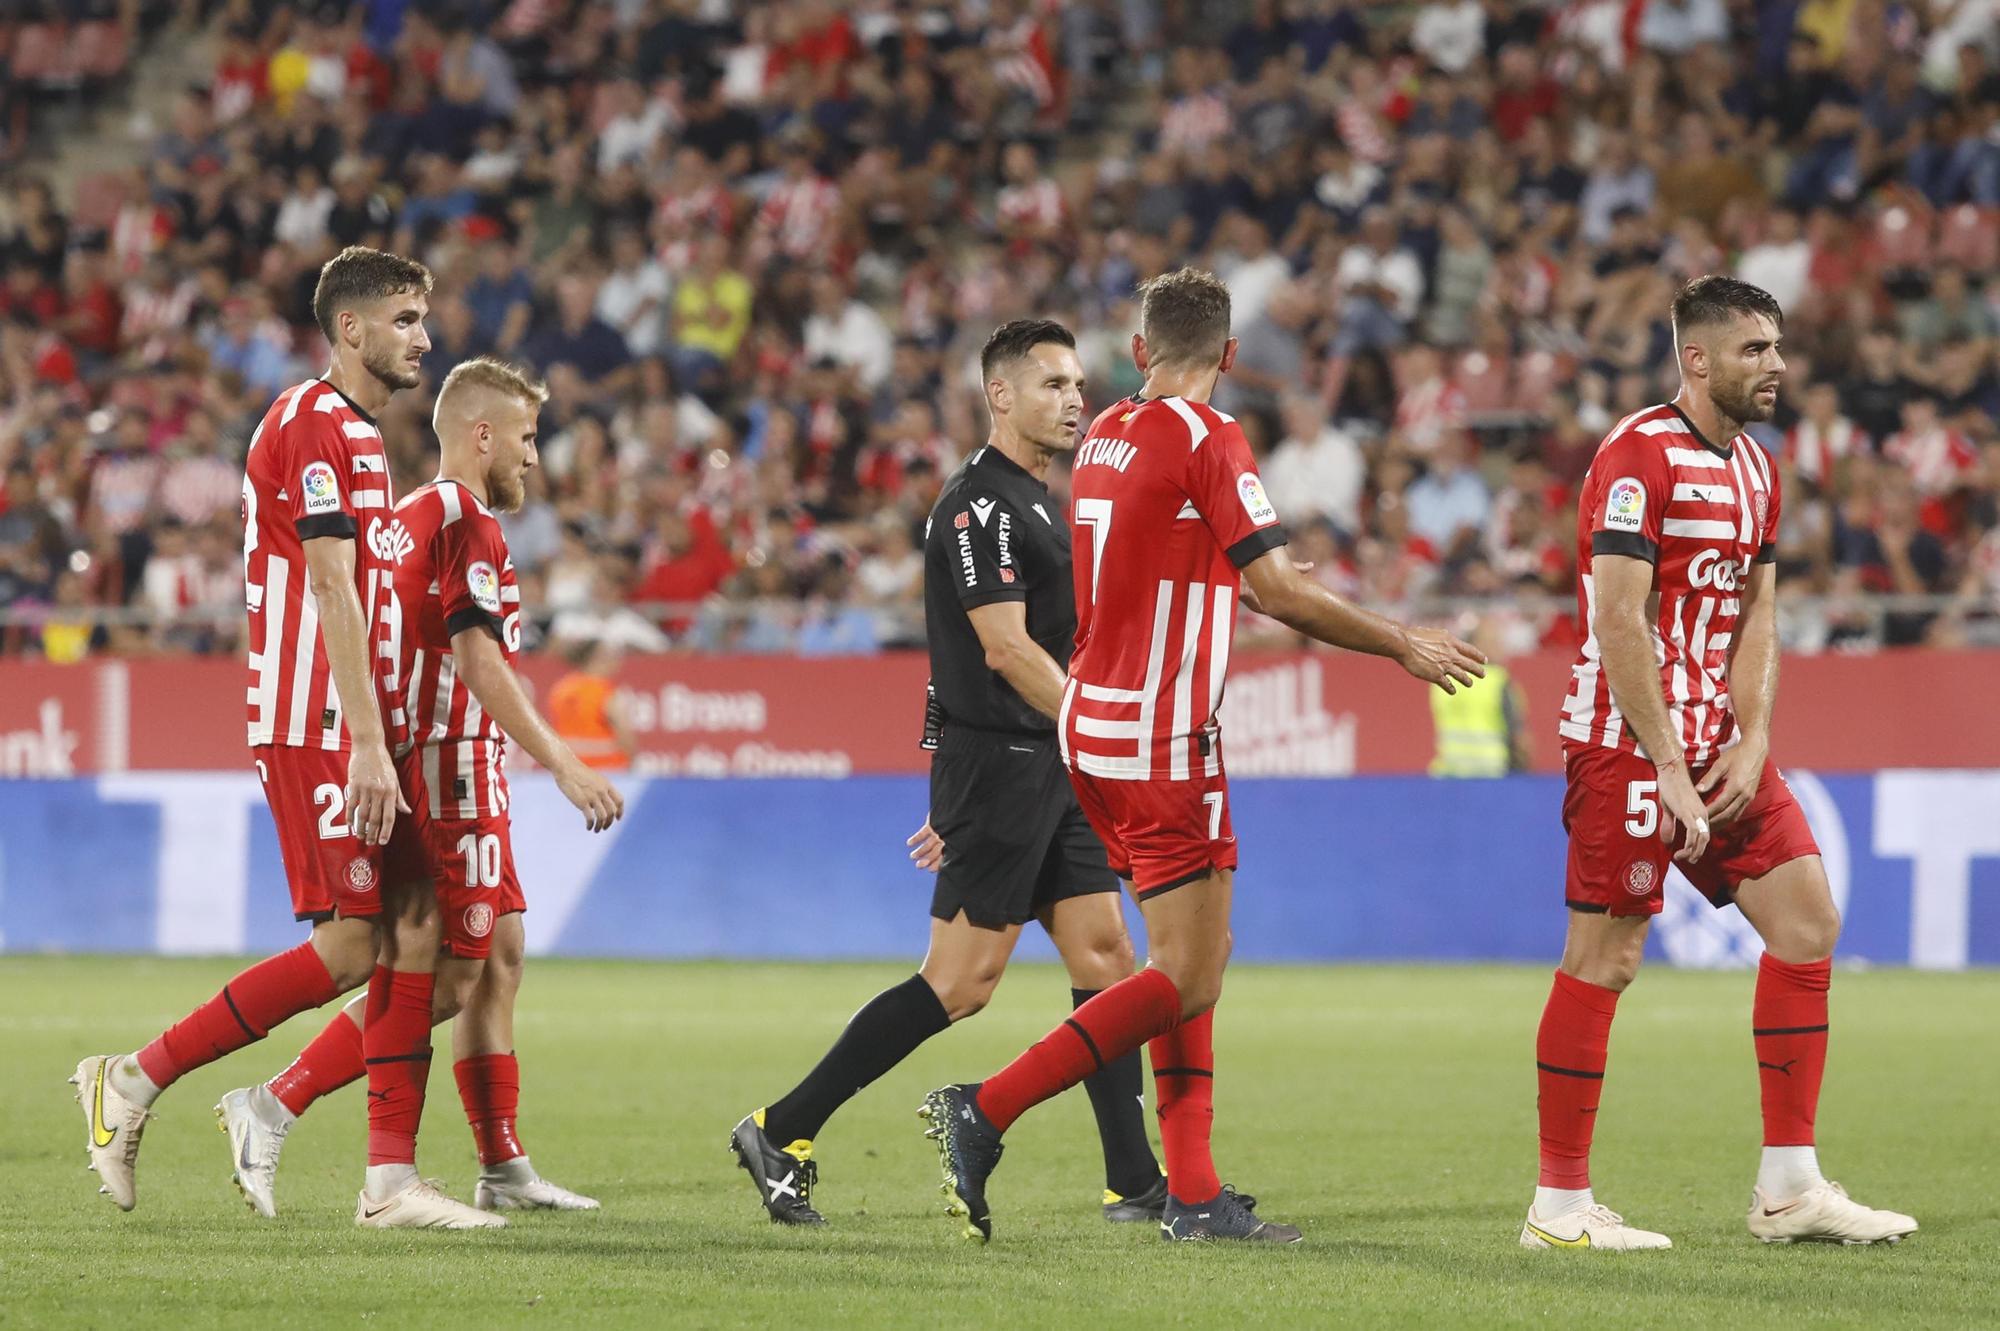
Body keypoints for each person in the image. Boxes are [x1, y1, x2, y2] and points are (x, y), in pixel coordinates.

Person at [919, 270, 1484, 1243]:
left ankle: (1190, 1188)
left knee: (1192, 955)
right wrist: (1397, 639)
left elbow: (1175, 560)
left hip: (1094, 725)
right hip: (1161, 734)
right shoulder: (1207, 435)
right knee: (1185, 971)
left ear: (1137, 353)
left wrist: (1246, 576)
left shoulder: (1102, 438)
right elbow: (1271, 583)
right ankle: (988, 1107)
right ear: (1228, 358)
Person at [730, 320, 1166, 1227]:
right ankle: (783, 1125)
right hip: (1008, 761)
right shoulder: (980, 506)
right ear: (1000, 394)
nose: (1075, 397)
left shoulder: (1046, 502)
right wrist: (1096, 729)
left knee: (1109, 958)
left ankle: (1134, 1181)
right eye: (1052, 383)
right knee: (962, 983)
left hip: (1052, 759)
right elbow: (1002, 651)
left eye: (1078, 382)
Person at [1524, 275, 1917, 1250]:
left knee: (1804, 919)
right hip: (1627, 742)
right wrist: (1661, 759)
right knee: (1604, 958)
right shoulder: (1635, 455)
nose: (1774, 364)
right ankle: (1557, 1208)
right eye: (1751, 348)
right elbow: (1615, 616)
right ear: (1693, 358)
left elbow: (1756, 615)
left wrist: (1751, 736)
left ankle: (1788, 1189)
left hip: (1714, 744)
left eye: (1775, 346)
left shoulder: (1757, 468)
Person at [215, 357, 624, 1226]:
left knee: (502, 954)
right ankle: (278, 1102)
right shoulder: (465, 516)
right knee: (443, 978)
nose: (534, 457)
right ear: (482, 436)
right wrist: (563, 759)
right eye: (525, 437)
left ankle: (502, 1161)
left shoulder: (406, 516)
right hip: (448, 771)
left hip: (442, 762)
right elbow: (477, 659)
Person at [73, 246, 434, 1215]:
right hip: (315, 717)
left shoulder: (357, 434)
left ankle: (298, 1123)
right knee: (359, 947)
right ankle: (144, 1078)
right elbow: (328, 581)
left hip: (348, 715)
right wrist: (365, 737)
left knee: (431, 946)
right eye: (404, 319)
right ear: (349, 328)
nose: (423, 338)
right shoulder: (312, 422)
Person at [548, 638, 636, 771]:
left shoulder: (561, 689)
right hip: (608, 769)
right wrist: (632, 761)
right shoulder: (605, 692)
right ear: (598, 658)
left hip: (570, 768)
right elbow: (624, 734)